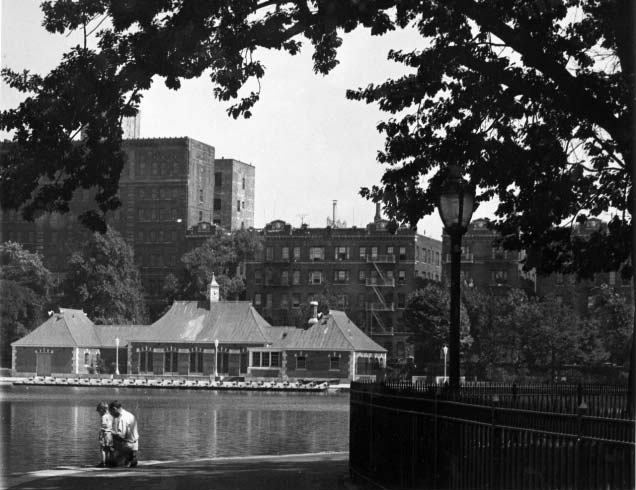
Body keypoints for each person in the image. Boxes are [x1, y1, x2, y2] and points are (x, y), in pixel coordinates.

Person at [108, 400, 139, 467]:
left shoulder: (122, 418)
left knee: (109, 447)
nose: (111, 415)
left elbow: (122, 435)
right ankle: (131, 458)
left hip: (127, 445)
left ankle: (122, 460)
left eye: (111, 412)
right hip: (135, 444)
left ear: (115, 409)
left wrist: (110, 432)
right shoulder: (130, 415)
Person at [95, 402, 113, 467]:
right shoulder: (110, 416)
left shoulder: (104, 417)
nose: (99, 414)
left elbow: (104, 425)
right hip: (110, 434)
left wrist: (100, 433)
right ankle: (108, 462)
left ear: (102, 410)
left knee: (102, 449)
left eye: (99, 412)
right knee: (108, 449)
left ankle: (103, 462)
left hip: (104, 433)